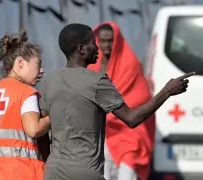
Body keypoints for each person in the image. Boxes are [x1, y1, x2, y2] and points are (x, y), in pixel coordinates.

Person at [38, 23, 194, 180]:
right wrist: (167, 91)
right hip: (85, 172)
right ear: (81, 49)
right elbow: (131, 119)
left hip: (53, 171)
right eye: (94, 43)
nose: (98, 48)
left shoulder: (48, 81)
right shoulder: (97, 81)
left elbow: (41, 131)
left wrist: (50, 161)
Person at [0, 31, 50, 180]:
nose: (41, 71)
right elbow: (33, 130)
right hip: (19, 173)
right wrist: (53, 116)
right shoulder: (26, 93)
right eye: (38, 64)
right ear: (20, 62)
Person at [88, 21, 155, 180]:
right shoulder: (90, 66)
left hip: (127, 132)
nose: (106, 45)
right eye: (102, 40)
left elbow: (141, 97)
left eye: (110, 40)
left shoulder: (130, 64)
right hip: (100, 134)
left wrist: (113, 114)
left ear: (117, 40)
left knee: (127, 174)